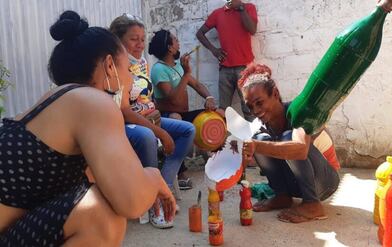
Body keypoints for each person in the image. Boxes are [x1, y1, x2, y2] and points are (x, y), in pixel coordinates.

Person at [0, 10, 175, 246]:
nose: (131, 80)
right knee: (101, 214)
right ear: (110, 66)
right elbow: (131, 201)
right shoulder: (92, 102)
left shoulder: (59, 103)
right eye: (128, 69)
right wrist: (153, 177)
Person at [109, 14, 195, 228]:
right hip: (124, 123)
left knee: (187, 130)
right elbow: (124, 110)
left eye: (142, 38)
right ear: (119, 40)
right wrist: (160, 131)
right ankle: (152, 201)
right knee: (147, 135)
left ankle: (162, 185)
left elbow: (146, 97)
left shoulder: (142, 63)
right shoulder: (113, 65)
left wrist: (154, 112)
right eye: (133, 39)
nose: (139, 44)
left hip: (147, 118)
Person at [240, 64, 341, 223]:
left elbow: (300, 150)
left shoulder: (299, 113)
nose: (255, 111)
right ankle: (283, 196)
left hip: (325, 181)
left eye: (259, 103)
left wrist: (256, 146)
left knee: (287, 138)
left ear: (275, 94)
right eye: (250, 106)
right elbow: (260, 152)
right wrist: (242, 154)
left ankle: (313, 204)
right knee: (258, 139)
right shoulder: (261, 125)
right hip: (297, 182)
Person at [148, 29, 224, 188]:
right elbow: (172, 98)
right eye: (175, 40)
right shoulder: (158, 70)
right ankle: (180, 172)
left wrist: (209, 98)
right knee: (176, 118)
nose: (178, 42)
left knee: (220, 114)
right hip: (168, 116)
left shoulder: (178, 67)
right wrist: (186, 73)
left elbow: (196, 85)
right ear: (169, 47)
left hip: (184, 113)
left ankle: (217, 161)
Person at [196, 0, 257, 121]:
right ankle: (222, 138)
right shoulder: (218, 14)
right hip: (225, 69)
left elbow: (252, 29)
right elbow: (200, 33)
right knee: (223, 110)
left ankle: (255, 138)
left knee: (249, 108)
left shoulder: (248, 8)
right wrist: (214, 50)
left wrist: (241, 9)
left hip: (245, 68)